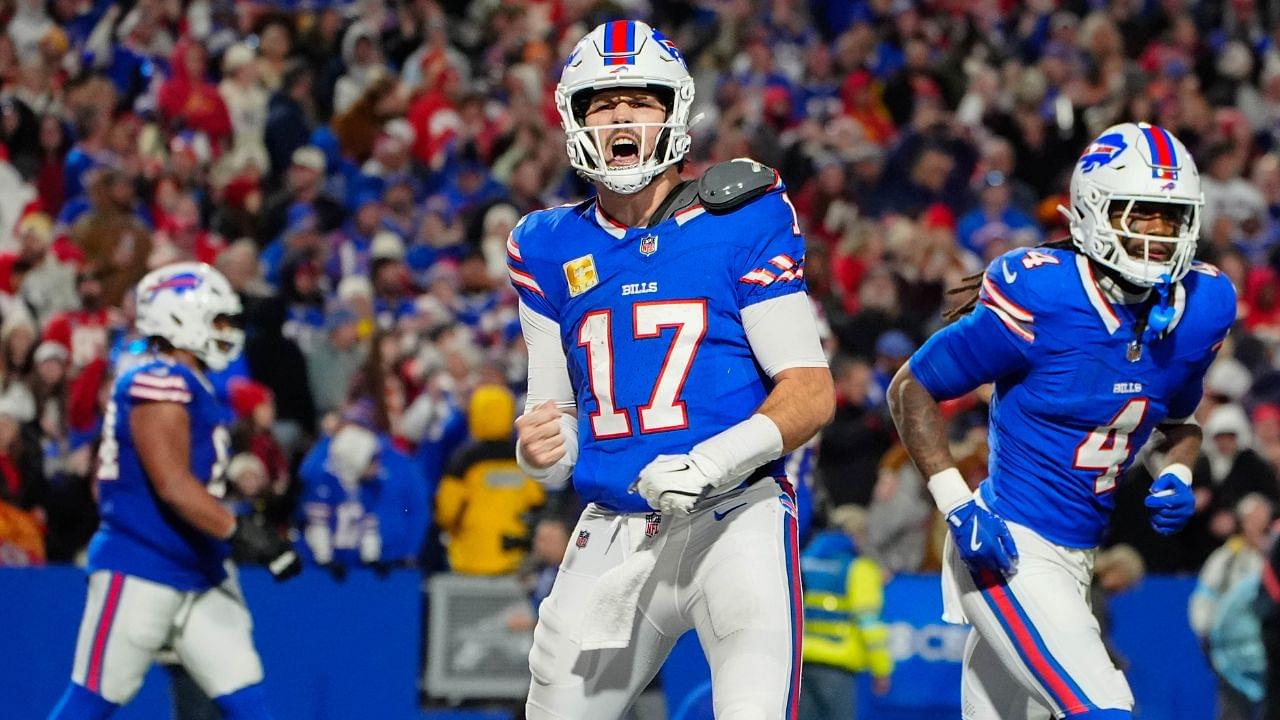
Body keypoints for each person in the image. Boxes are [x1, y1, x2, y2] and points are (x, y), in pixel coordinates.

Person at [510, 20, 834, 719]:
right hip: (614, 529)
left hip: (734, 516)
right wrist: (540, 451)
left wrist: (710, 461)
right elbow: (555, 422)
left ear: (675, 112)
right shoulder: (544, 245)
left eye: (641, 99)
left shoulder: (743, 215)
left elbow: (810, 392)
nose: (622, 115)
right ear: (573, 116)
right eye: (602, 102)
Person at [887, 122, 1235, 719]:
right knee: (1103, 709)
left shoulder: (1201, 309)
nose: (1156, 234)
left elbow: (1180, 420)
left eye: (1171, 217)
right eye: (1140, 212)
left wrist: (1176, 470)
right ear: (1095, 211)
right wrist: (957, 504)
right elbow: (911, 387)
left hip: (1079, 557)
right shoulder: (1046, 297)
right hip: (1009, 546)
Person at [47, 262, 301, 720]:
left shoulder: (190, 381)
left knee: (250, 700)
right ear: (180, 317)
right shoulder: (159, 381)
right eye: (218, 320)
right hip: (142, 562)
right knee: (92, 701)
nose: (227, 331)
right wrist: (239, 529)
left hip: (198, 568)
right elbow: (173, 485)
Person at [798, 505, 893, 720]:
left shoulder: (803, 560)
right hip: (837, 665)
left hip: (802, 663)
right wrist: (881, 668)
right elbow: (869, 622)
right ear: (855, 534)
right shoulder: (859, 568)